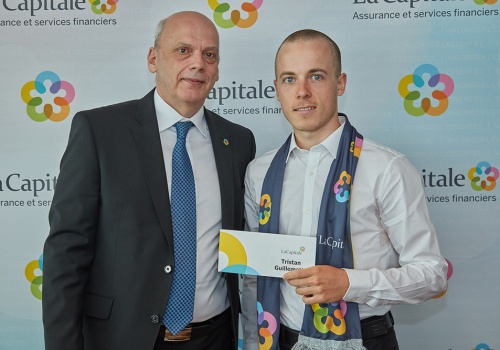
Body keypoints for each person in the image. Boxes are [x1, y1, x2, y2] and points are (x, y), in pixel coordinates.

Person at [42, 11, 255, 350]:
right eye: (183, 50)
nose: (198, 63)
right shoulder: (100, 131)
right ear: (153, 58)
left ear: (217, 68)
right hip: (123, 339)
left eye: (209, 54)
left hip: (215, 338)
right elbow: (66, 254)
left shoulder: (239, 141)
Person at [241, 29, 448, 350]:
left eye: (317, 76)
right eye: (289, 79)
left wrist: (350, 284)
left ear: (340, 83)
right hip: (281, 339)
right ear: (277, 90)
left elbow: (431, 274)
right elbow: (255, 274)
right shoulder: (259, 173)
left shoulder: (387, 167)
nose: (302, 91)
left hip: (365, 339)